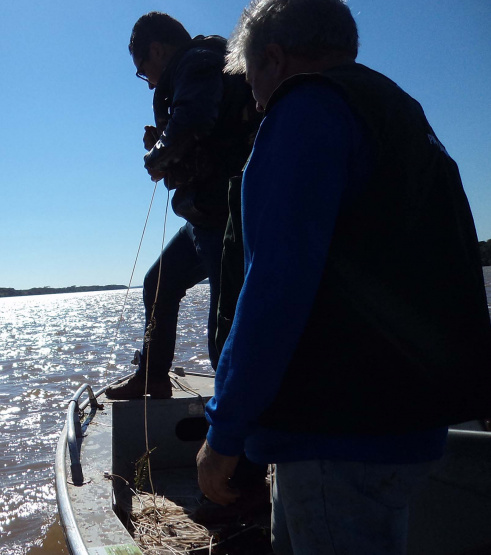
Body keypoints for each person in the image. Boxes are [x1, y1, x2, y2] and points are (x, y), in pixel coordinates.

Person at [196, 1, 491, 553]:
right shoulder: (398, 109)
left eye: (252, 80)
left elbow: (275, 288)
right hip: (409, 426)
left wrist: (224, 431)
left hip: (336, 433)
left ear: (275, 59)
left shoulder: (305, 111)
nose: (256, 103)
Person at [106, 12, 259, 400]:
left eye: (143, 70)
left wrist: (156, 157)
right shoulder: (196, 68)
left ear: (157, 50)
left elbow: (192, 122)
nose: (148, 82)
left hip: (225, 218)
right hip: (201, 217)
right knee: (158, 282)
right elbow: (199, 132)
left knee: (223, 331)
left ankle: (239, 423)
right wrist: (164, 141)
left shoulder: (198, 62)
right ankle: (153, 377)